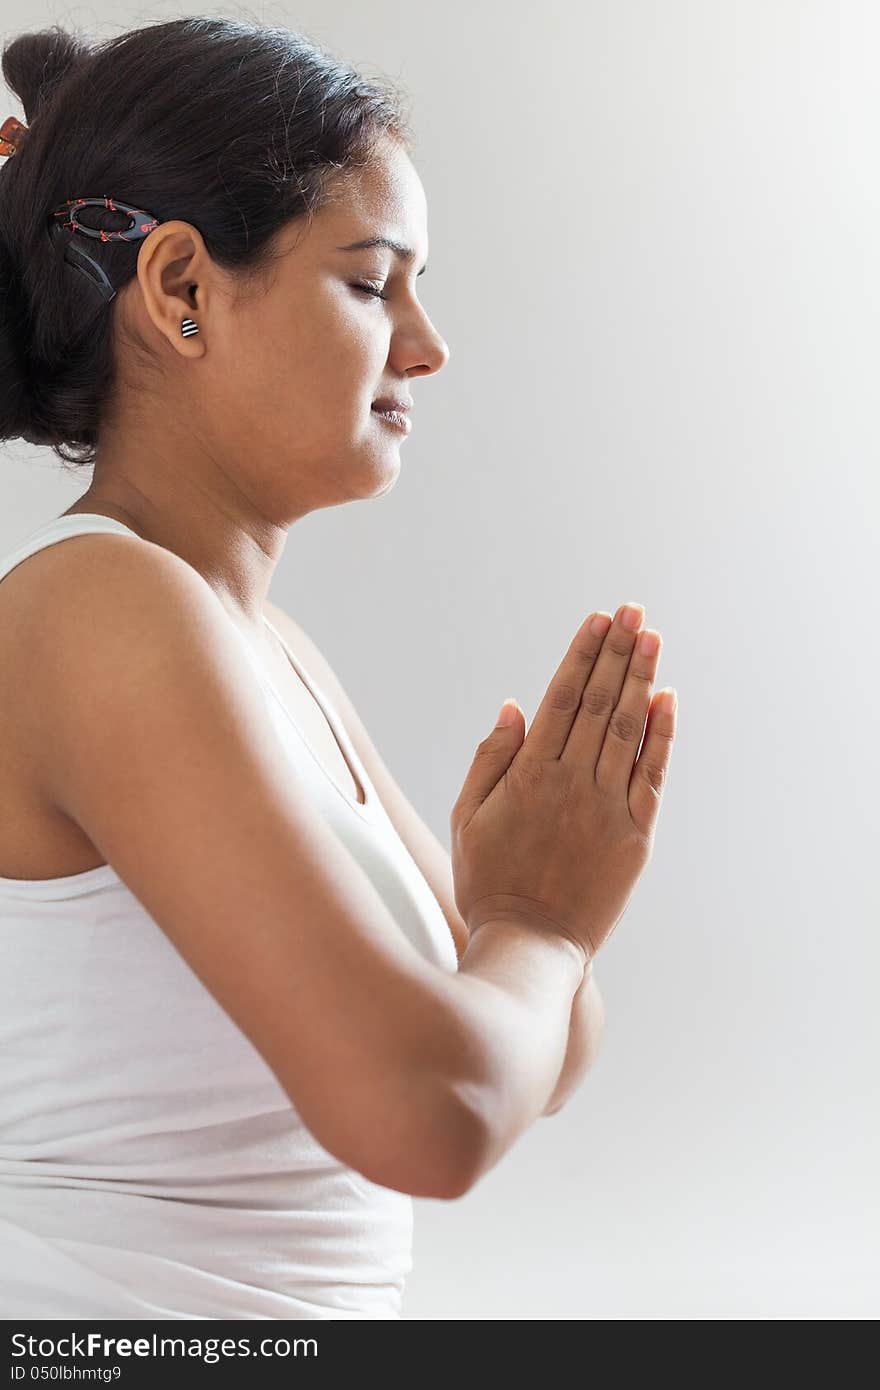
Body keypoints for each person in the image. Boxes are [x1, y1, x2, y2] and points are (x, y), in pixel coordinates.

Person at [0, 18, 677, 1319]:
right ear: (183, 292)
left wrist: (517, 920)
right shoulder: (100, 607)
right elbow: (434, 1111)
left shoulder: (257, 643)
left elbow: (534, 1053)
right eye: (374, 284)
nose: (426, 346)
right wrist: (533, 924)